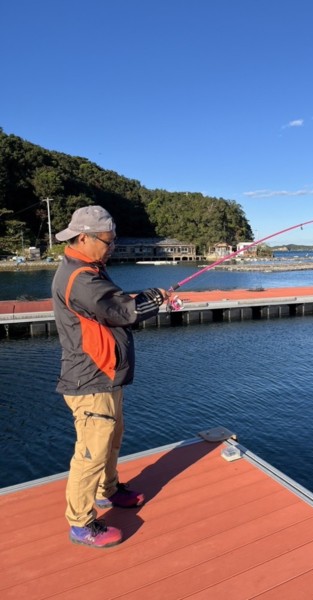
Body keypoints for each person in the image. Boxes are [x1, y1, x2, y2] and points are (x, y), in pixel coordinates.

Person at [51, 205, 167, 548]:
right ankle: (80, 523)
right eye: (108, 240)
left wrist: (146, 299)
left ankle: (108, 491)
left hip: (104, 375)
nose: (112, 246)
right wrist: (152, 298)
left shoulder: (88, 268)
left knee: (112, 438)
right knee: (91, 452)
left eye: (114, 240)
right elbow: (122, 312)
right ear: (83, 237)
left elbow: (111, 307)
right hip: (90, 379)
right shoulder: (81, 277)